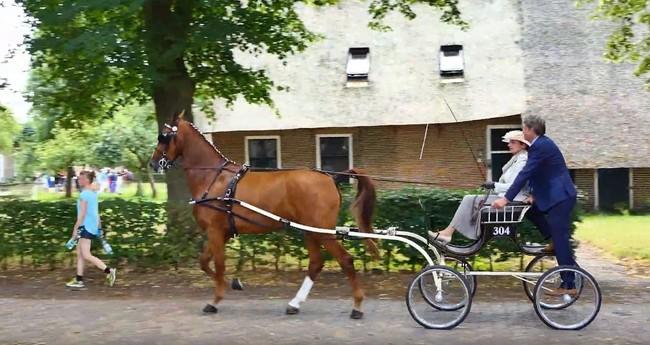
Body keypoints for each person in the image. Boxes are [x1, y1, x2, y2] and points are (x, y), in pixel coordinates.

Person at [491, 115, 578, 296]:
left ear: (531, 130)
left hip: (560, 198)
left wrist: (506, 199)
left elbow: (525, 174)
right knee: (531, 211)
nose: (523, 132)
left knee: (561, 240)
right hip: (554, 196)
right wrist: (534, 194)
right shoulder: (540, 146)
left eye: (524, 129)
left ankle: (569, 284)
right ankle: (552, 240)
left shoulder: (541, 146)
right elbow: (540, 174)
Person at [428, 130, 531, 244]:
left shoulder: (522, 161)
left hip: (512, 201)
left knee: (469, 199)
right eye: (509, 142)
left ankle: (448, 233)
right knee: (470, 199)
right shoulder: (516, 159)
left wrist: (494, 185)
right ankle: (449, 232)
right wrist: (493, 185)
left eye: (513, 142)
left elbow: (514, 186)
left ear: (523, 145)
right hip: (507, 198)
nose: (508, 144)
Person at [65, 170, 117, 289]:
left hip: (85, 227)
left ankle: (109, 271)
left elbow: (82, 215)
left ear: (87, 180)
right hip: (91, 227)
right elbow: (96, 213)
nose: (79, 180)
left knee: (86, 254)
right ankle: (79, 279)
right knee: (80, 254)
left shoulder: (84, 194)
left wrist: (75, 231)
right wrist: (99, 227)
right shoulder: (93, 194)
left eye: (81, 178)